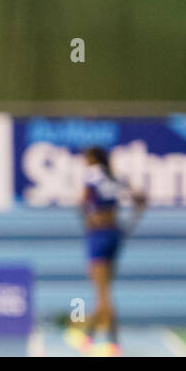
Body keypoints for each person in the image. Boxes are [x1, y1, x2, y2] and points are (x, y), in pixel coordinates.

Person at [65, 146, 147, 356]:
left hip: (98, 235)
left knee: (102, 295)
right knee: (105, 292)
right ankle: (94, 338)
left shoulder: (93, 174)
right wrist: (129, 226)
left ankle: (109, 342)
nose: (84, 162)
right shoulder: (115, 177)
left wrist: (88, 221)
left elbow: (82, 202)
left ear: (93, 159)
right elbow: (140, 200)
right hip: (114, 234)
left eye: (86, 158)